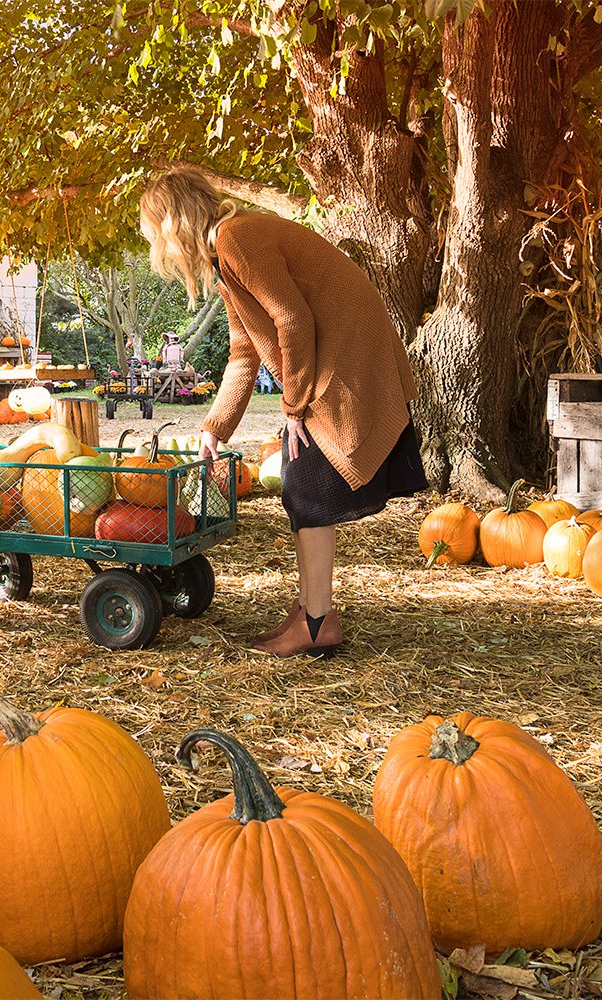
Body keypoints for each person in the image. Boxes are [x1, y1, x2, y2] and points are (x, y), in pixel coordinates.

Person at [141, 167, 423, 656]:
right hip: (333, 352)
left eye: (155, 234)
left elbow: (292, 317)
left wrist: (294, 405)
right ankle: (312, 610)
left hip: (348, 354)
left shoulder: (238, 238)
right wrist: (215, 427)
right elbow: (244, 352)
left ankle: (317, 623)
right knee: (301, 481)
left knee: (303, 481)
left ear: (173, 223)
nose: (159, 249)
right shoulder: (226, 253)